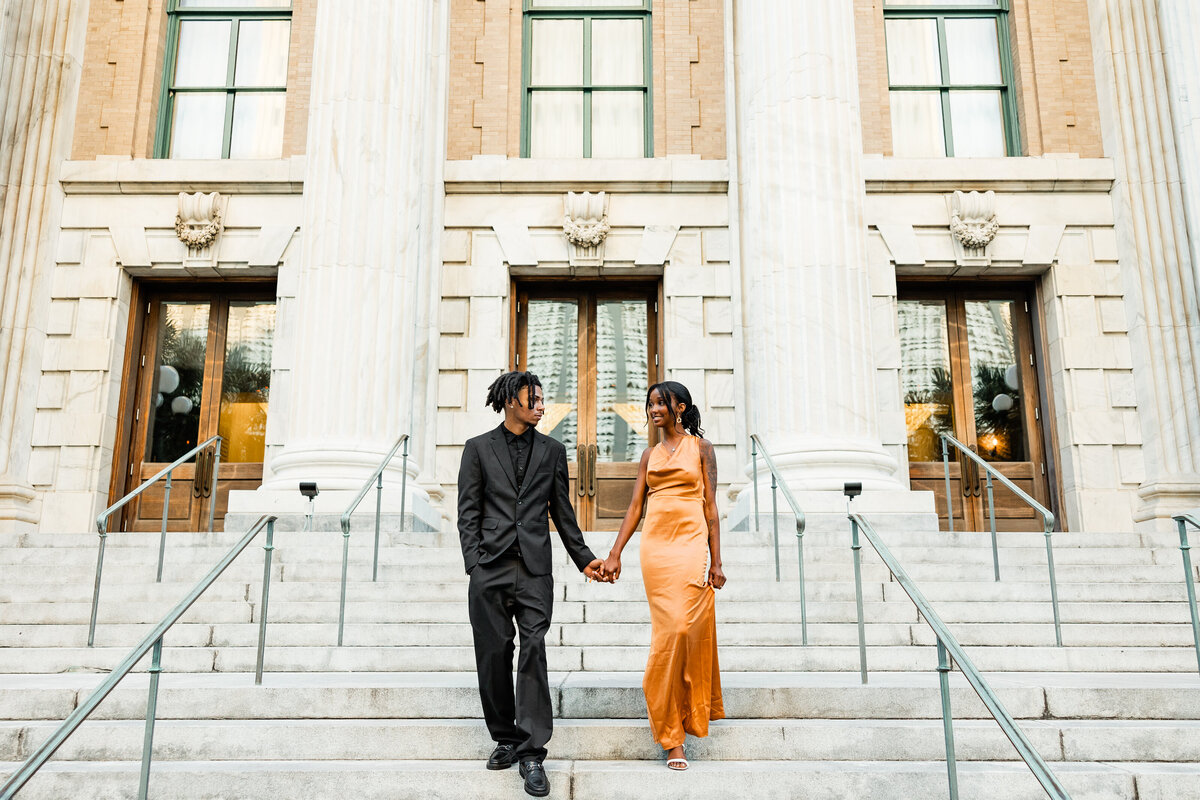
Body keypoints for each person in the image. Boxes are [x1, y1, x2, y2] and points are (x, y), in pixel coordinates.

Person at [457, 370, 610, 798]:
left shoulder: (553, 450)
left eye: (543, 399)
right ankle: (504, 737)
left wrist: (585, 561)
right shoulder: (477, 450)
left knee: (534, 647)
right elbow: (467, 510)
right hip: (490, 567)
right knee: (493, 653)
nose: (543, 405)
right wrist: (475, 562)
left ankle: (531, 752)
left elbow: (562, 512)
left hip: (534, 570)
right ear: (511, 402)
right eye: (535, 399)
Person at [601, 380, 726, 770]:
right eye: (650, 404)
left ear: (681, 407)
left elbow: (711, 508)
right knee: (669, 630)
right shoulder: (648, 455)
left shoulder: (702, 449)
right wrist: (615, 553)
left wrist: (716, 561)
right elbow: (636, 507)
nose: (653, 410)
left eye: (660, 403)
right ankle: (672, 738)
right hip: (656, 548)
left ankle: (686, 711)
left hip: (690, 544)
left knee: (683, 630)